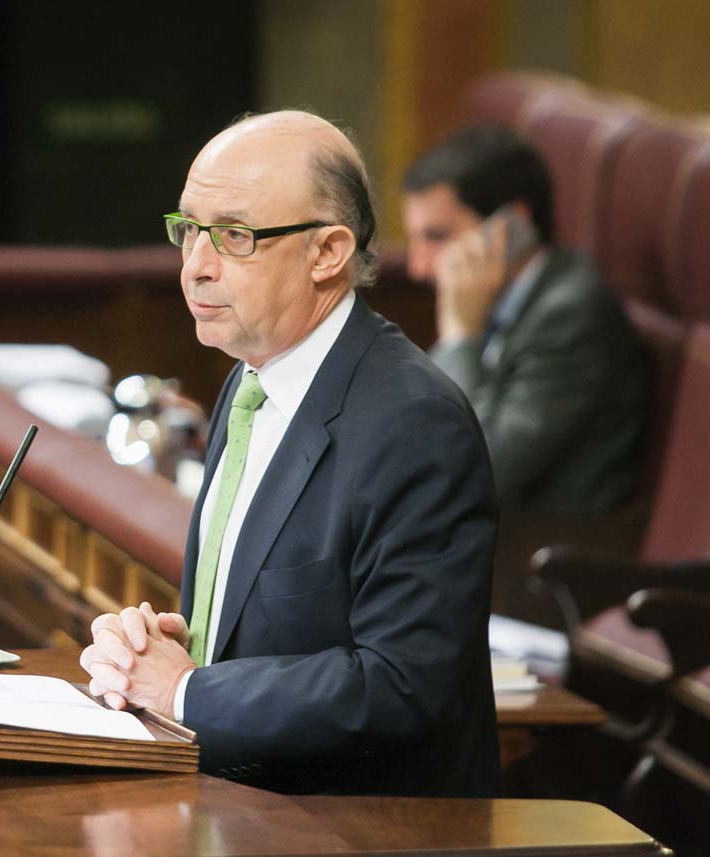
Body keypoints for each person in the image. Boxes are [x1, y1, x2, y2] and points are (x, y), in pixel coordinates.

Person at [79, 111, 501, 796]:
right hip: (243, 803)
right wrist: (165, 648)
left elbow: (402, 683)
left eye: (234, 236)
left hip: (368, 831)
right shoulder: (249, 380)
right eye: (188, 230)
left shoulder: (416, 423)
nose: (196, 266)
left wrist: (188, 691)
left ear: (328, 252)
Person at [401, 124, 647, 516]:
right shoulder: (503, 299)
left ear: (511, 224)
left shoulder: (571, 316)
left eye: (437, 236)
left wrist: (461, 335)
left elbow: (473, 468)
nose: (418, 267)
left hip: (537, 552)